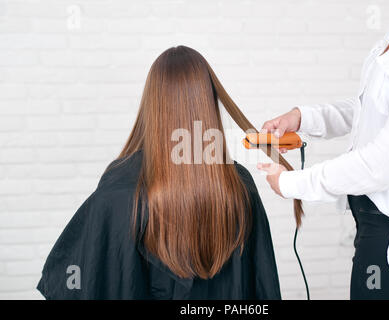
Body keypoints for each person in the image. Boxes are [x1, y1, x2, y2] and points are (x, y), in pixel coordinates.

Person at [37, 46, 281, 300]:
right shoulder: (239, 186)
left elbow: (77, 280)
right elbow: (263, 288)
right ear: (208, 104)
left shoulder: (118, 191)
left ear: (152, 106)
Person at [258, 0, 389, 299]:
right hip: (369, 218)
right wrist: (303, 117)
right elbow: (367, 108)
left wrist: (291, 183)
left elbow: (383, 164)